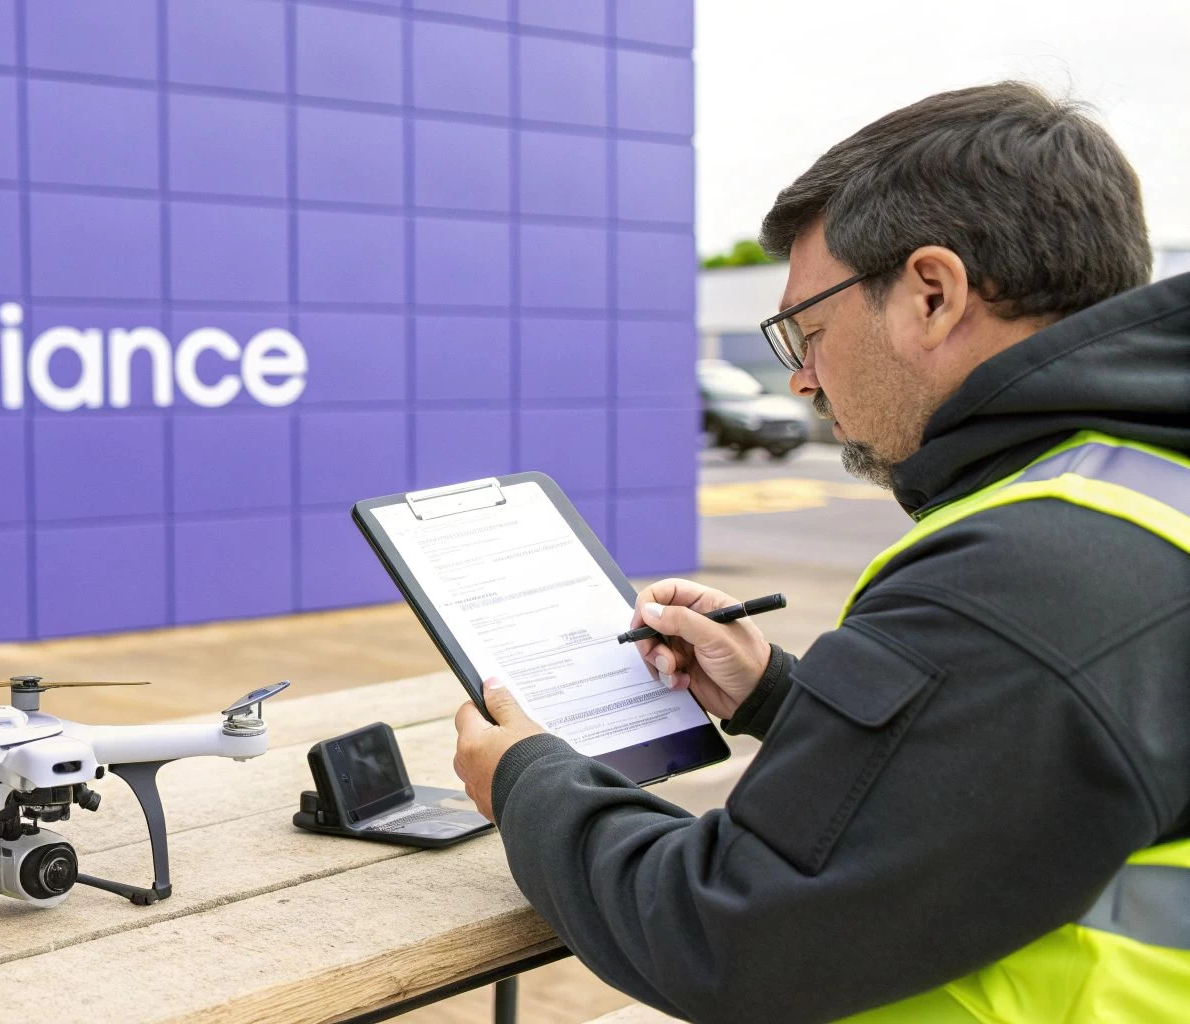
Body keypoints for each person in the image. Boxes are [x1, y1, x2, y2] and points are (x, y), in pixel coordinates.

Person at [452, 82, 1190, 1023]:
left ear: (933, 292)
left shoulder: (1030, 571)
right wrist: (774, 692)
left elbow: (727, 933)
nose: (799, 376)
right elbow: (1017, 769)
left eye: (808, 329)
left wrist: (525, 778)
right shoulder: (1140, 487)